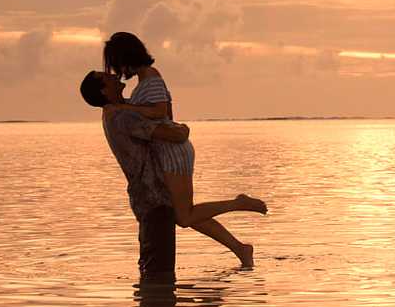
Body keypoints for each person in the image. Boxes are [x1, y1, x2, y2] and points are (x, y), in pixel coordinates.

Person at [81, 66, 262, 268]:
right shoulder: (121, 117)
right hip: (152, 197)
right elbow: (175, 135)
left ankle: (240, 249)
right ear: (104, 91)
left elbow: (162, 115)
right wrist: (183, 129)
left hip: (152, 193)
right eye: (107, 77)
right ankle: (237, 207)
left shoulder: (124, 109)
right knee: (164, 258)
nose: (114, 75)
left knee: (184, 218)